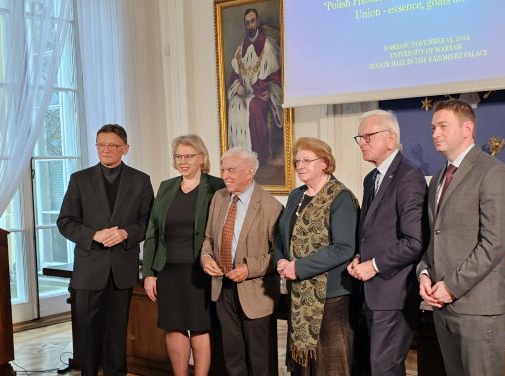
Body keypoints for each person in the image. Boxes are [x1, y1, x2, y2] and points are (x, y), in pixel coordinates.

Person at [417, 98, 505, 376]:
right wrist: (424, 273)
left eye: (443, 126)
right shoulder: (437, 178)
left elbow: (494, 243)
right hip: (442, 305)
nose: (435, 133)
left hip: (478, 307)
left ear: (467, 128)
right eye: (433, 127)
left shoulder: (493, 172)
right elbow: (435, 238)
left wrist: (451, 286)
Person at [57, 124, 154, 376]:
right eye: (101, 144)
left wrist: (125, 233)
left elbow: (148, 223)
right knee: (88, 334)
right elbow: (65, 222)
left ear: (125, 148)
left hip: (122, 270)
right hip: (89, 269)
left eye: (112, 145)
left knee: (116, 333)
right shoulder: (79, 180)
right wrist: (93, 235)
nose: (106, 149)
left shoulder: (141, 181)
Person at [348, 110, 429, 376]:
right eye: (359, 137)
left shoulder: (409, 176)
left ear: (391, 139)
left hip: (394, 292)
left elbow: (414, 241)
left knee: (386, 369)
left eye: (368, 136)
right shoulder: (371, 178)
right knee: (376, 367)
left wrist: (374, 265)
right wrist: (359, 256)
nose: (362, 142)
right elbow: (370, 231)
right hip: (371, 293)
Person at [274, 137, 359, 375]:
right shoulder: (295, 195)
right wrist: (281, 260)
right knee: (303, 365)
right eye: (297, 161)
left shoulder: (340, 197)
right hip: (299, 294)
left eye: (307, 160)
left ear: (325, 163)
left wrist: (298, 267)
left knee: (329, 364)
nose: (300, 165)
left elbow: (344, 247)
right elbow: (281, 236)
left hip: (332, 296)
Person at [141, 135, 225, 376]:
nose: (183, 161)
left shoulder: (215, 186)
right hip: (168, 271)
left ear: (202, 158)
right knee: (173, 326)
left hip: (199, 271)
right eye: (179, 156)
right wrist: (148, 273)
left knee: (200, 327)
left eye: (189, 156)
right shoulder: (167, 186)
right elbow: (152, 233)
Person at [200, 147, 283, 376]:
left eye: (231, 170)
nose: (224, 175)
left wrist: (249, 269)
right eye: (223, 169)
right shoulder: (219, 198)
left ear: (249, 172)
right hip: (222, 288)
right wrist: (206, 258)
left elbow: (279, 254)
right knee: (233, 357)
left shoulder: (271, 206)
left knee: (260, 361)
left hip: (256, 292)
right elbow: (208, 238)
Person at [227, 8, 283, 165]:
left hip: (262, 95)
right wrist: (237, 85)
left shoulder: (268, 46)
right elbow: (234, 74)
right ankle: (240, 160)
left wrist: (268, 89)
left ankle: (258, 156)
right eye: (247, 23)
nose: (250, 25)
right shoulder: (241, 48)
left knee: (254, 107)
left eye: (252, 21)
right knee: (234, 104)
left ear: (257, 22)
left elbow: (275, 76)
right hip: (245, 93)